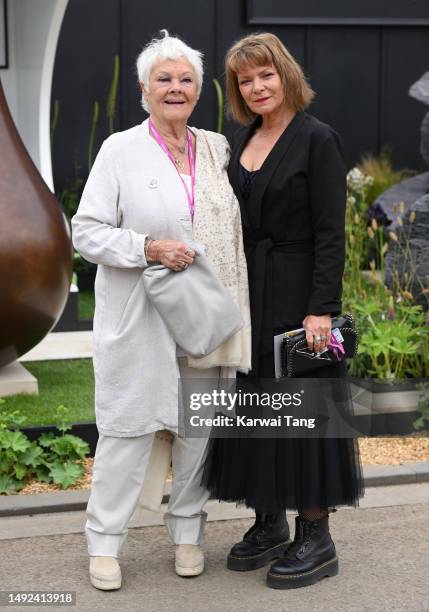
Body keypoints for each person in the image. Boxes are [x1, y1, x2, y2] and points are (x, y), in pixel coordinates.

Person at [71, 30, 251, 590]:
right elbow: (86, 231)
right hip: (142, 318)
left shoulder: (217, 147)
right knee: (128, 430)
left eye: (186, 79)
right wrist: (146, 247)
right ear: (144, 90)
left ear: (199, 90)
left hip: (207, 313)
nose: (176, 87)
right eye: (164, 79)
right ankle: (105, 543)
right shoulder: (120, 150)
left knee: (199, 430)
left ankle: (189, 533)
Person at [202, 32, 364, 589]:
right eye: (245, 80)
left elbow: (329, 233)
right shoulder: (239, 139)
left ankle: (315, 534)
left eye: (264, 75)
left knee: (303, 412)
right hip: (248, 293)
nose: (256, 86)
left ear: (285, 74)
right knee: (254, 403)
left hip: (299, 299)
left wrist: (322, 309)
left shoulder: (318, 139)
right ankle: (267, 519)